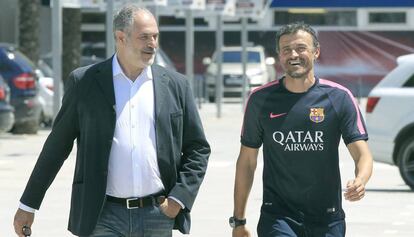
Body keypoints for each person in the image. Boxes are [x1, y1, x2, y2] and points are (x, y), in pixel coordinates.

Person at [13, 4, 210, 237]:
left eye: (155, 36)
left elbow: (198, 148)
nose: (153, 44)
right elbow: (56, 148)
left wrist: (179, 198)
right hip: (103, 216)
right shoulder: (85, 82)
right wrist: (28, 204)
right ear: (120, 38)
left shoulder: (176, 85)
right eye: (144, 37)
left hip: (158, 215)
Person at [231, 22, 373, 237]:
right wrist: (238, 221)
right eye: (286, 49)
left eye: (300, 48)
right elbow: (247, 162)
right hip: (277, 217)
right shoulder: (259, 99)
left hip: (328, 217)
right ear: (279, 55)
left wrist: (360, 180)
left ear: (316, 52)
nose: (293, 54)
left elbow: (362, 153)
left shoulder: (339, 97)